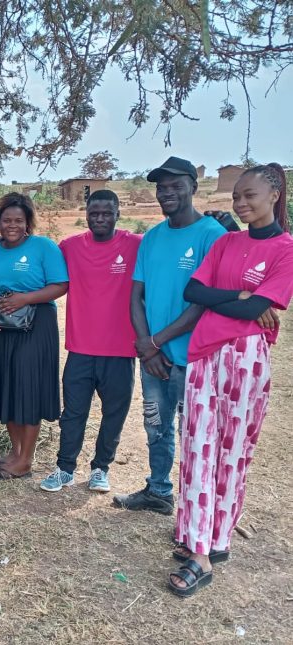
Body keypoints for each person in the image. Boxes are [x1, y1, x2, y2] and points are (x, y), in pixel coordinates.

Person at [167, 163, 293, 597]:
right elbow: (193, 292)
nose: (240, 204)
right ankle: (198, 542)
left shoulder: (285, 249)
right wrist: (241, 297)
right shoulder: (226, 243)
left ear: (274, 195)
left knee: (233, 452)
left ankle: (214, 542)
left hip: (246, 361)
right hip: (206, 356)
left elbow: (253, 307)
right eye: (236, 196)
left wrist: (243, 302)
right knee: (198, 445)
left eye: (249, 196)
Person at [113, 157, 226, 515]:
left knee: (194, 433)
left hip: (194, 355)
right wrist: (147, 347)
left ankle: (196, 504)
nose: (167, 193)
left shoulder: (212, 235)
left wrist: (155, 342)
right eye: (161, 187)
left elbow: (205, 302)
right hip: (154, 359)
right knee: (156, 425)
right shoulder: (153, 237)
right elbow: (136, 295)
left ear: (193, 187)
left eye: (176, 185)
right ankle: (159, 490)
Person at [39, 190, 142, 494]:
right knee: (73, 412)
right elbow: (40, 261)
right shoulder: (70, 247)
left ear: (118, 213)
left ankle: (101, 468)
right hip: (81, 348)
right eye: (94, 213)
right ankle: (65, 468)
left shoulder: (136, 245)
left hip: (121, 350)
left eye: (106, 213)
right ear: (85, 214)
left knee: (114, 413)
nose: (100, 218)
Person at [0, 192, 68, 479]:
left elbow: (60, 285)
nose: (12, 225)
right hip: (2, 327)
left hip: (36, 325)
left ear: (28, 221)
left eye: (19, 220)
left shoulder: (44, 247)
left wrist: (25, 299)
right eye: (6, 220)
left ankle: (26, 460)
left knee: (28, 389)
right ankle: (16, 452)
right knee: (8, 389)